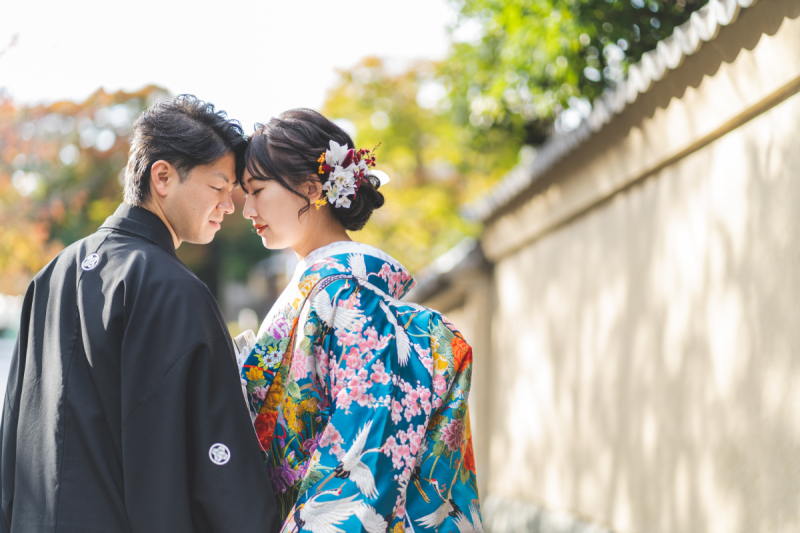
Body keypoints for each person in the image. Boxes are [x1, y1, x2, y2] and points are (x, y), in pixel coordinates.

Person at [0, 95, 279, 533]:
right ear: (163, 177)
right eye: (219, 187)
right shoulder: (174, 290)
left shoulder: (50, 275)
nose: (230, 205)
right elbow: (218, 462)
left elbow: (13, 430)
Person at [238, 109, 482, 533]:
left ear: (311, 188)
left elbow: (365, 451)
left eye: (256, 190)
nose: (246, 209)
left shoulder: (348, 298)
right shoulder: (324, 290)